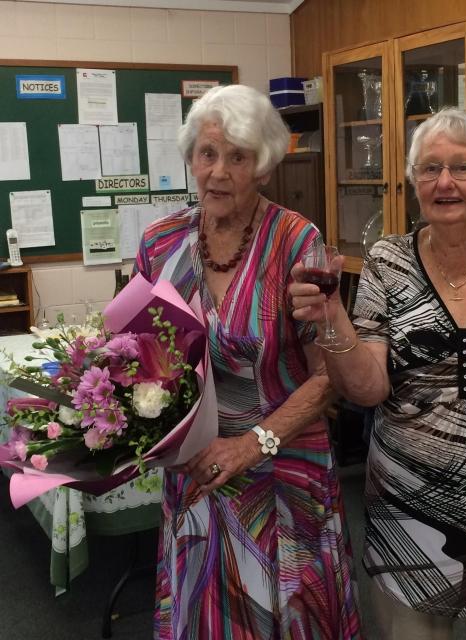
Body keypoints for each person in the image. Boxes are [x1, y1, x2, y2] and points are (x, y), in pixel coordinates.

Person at [290, 107, 466, 639]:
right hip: (409, 506)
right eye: (429, 169)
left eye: (463, 167)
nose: (444, 182)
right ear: (413, 183)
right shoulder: (388, 260)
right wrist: (332, 319)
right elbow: (368, 389)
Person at [134, 83, 361, 640]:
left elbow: (328, 376)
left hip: (279, 467)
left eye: (238, 157)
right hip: (194, 469)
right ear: (190, 158)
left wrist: (251, 443)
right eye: (207, 154)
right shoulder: (160, 244)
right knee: (205, 616)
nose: (218, 171)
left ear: (263, 167)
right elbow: (140, 356)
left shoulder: (294, 241)